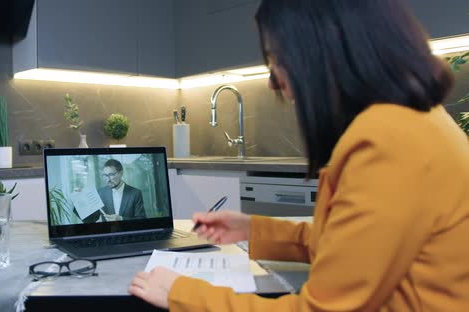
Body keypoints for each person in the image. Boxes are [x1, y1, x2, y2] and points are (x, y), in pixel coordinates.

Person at [128, 0, 469, 310]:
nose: (272, 82)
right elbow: (352, 251)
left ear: (324, 52)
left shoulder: (386, 143)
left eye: (277, 59)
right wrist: (253, 229)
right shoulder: (418, 121)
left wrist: (181, 293)